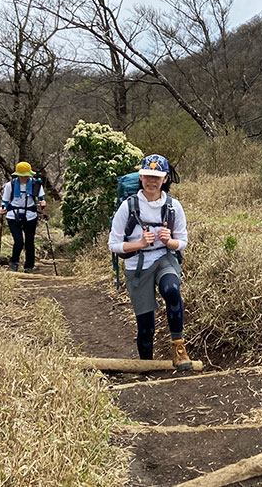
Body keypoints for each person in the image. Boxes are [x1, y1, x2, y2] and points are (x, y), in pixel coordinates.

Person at [108, 154, 192, 370]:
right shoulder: (128, 206)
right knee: (146, 325)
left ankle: (178, 347)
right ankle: (146, 365)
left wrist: (169, 241)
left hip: (164, 257)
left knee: (172, 290)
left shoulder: (174, 207)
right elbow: (113, 244)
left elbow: (182, 242)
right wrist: (139, 244)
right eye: (147, 176)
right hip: (137, 265)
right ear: (141, 177)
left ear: (165, 179)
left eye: (157, 177)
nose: (151, 181)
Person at [0, 162, 46, 273]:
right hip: (13, 216)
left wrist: (43, 203)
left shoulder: (36, 184)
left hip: (31, 216)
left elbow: (41, 198)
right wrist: (2, 208)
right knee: (19, 241)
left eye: (26, 175)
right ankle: (14, 262)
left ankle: (29, 266)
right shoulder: (10, 185)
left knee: (30, 242)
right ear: (18, 174)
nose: (24, 177)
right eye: (22, 174)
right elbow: (5, 201)